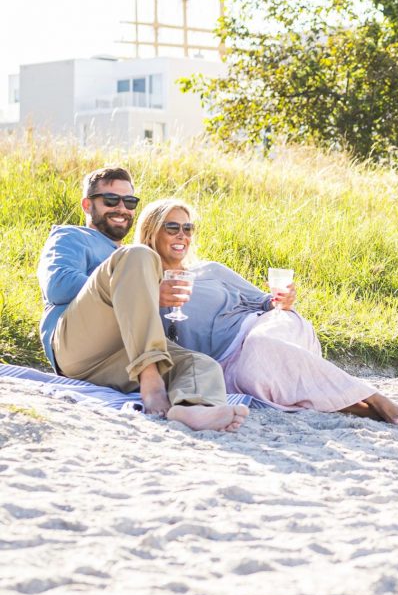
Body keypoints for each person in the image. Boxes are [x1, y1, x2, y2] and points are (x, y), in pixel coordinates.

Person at [136, 198, 398, 425]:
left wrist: (285, 299)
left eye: (188, 228)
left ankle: (372, 396)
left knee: (260, 346)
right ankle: (358, 406)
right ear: (151, 232)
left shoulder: (210, 270)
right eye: (172, 227)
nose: (182, 235)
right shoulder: (141, 285)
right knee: (248, 378)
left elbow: (267, 302)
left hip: (263, 328)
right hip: (226, 362)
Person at [36, 167, 248, 433]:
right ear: (87, 205)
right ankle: (150, 380)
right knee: (139, 254)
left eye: (129, 202)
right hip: (74, 344)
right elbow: (57, 287)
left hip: (120, 355)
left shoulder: (133, 257)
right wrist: (135, 287)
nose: (121, 208)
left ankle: (194, 408)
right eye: (110, 200)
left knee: (200, 364)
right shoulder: (72, 236)